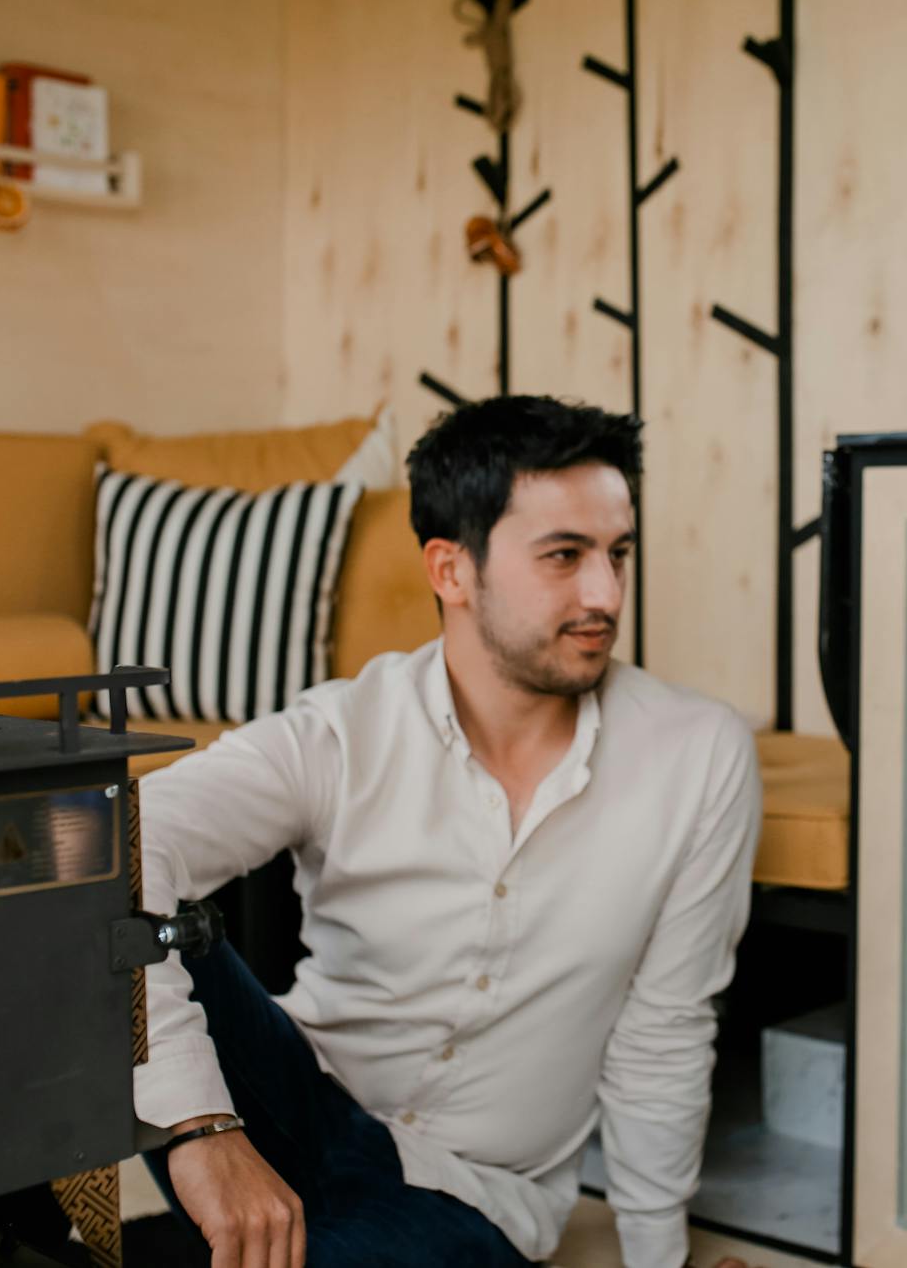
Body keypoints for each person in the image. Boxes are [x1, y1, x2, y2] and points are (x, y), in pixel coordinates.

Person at [134, 395, 762, 1268]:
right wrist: (202, 1129)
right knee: (115, 888)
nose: (606, 594)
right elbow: (117, 845)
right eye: (564, 556)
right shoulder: (343, 729)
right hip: (291, 1098)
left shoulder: (699, 754)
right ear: (450, 570)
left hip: (472, 1193)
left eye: (618, 553)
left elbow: (663, 1033)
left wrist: (660, 1260)